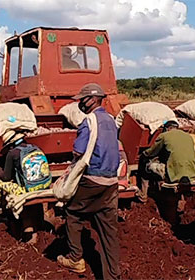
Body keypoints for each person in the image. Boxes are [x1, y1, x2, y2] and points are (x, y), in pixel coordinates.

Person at [57, 83, 120, 280]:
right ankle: (113, 275)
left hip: (93, 179)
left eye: (82, 100)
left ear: (92, 100)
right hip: (111, 182)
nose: (80, 104)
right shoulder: (111, 120)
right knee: (108, 231)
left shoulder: (89, 121)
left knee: (72, 211)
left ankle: (75, 259)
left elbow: (78, 151)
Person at [0, 130, 51, 244]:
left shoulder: (12, 153)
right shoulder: (35, 147)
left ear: (10, 144)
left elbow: (6, 177)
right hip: (44, 184)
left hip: (28, 189)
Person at [139, 120, 195, 218]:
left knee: (146, 166)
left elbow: (152, 152)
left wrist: (144, 154)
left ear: (167, 128)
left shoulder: (164, 136)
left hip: (174, 173)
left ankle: (143, 196)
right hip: (192, 172)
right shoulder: (188, 136)